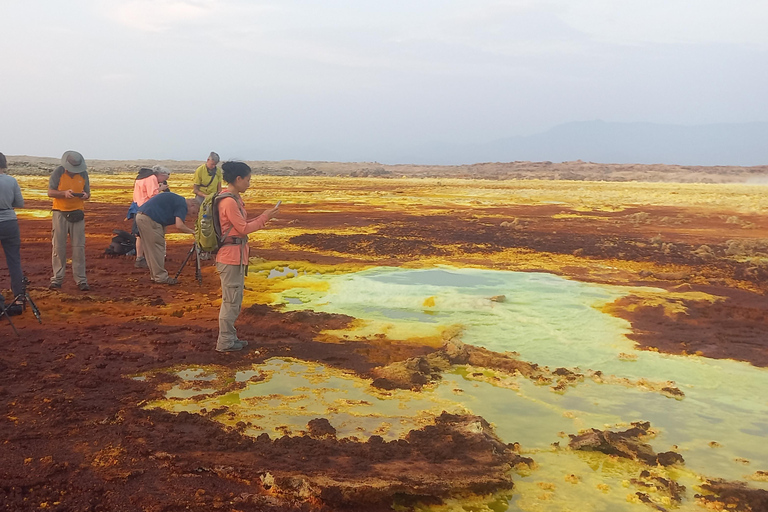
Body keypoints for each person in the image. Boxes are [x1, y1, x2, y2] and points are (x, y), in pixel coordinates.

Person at [215, 161, 279, 352]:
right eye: (248, 180)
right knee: (231, 301)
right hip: (230, 258)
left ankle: (230, 338)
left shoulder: (233, 199)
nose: (250, 184)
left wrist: (262, 217)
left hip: (235, 256)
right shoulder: (228, 202)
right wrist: (265, 217)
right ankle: (225, 342)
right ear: (238, 179)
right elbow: (242, 229)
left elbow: (239, 225)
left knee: (234, 300)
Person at [48, 150, 90, 291]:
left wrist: (85, 195)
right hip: (59, 213)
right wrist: (63, 194)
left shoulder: (83, 174)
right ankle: (57, 279)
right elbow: (50, 192)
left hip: (77, 213)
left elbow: (88, 193)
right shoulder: (58, 172)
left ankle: (81, 280)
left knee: (79, 248)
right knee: (59, 248)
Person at [134, 192, 199, 285]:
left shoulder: (178, 199)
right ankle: (161, 277)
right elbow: (179, 225)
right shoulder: (182, 204)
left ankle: (155, 276)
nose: (190, 215)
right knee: (157, 248)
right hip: (150, 219)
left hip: (142, 216)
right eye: (193, 212)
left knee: (151, 249)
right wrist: (193, 232)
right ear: (192, 205)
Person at [131, 166, 170, 268]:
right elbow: (153, 195)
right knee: (149, 235)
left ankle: (139, 258)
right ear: (161, 175)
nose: (163, 181)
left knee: (139, 235)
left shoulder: (141, 177)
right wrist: (160, 189)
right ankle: (150, 258)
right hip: (147, 209)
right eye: (165, 179)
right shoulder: (151, 178)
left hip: (137, 207)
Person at [0, 153, 25, 315]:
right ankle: (19, 297)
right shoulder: (11, 181)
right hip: (9, 222)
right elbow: (20, 203)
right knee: (14, 260)